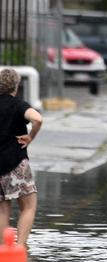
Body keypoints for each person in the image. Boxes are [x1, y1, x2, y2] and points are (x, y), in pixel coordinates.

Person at [0, 68, 43, 246]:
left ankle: (3, 248)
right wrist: (31, 136)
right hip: (15, 163)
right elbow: (38, 119)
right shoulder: (18, 104)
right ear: (16, 86)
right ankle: (20, 247)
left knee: (2, 208)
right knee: (28, 206)